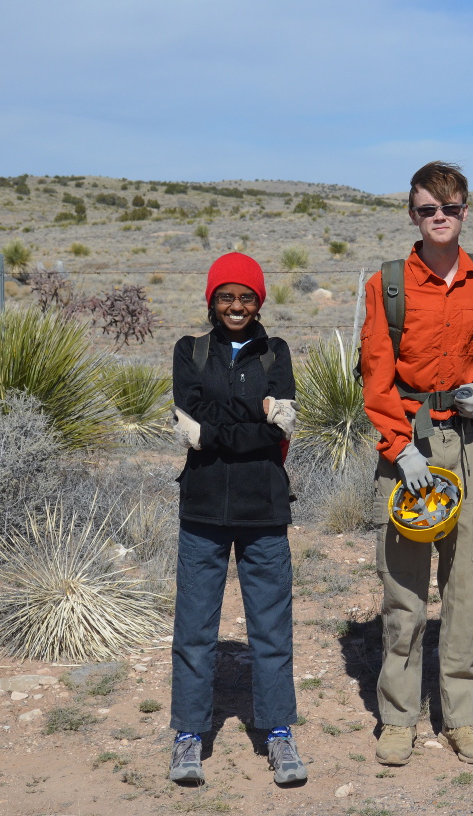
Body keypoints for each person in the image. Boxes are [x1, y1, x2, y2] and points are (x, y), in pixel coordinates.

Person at [360, 161, 473, 766]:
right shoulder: (390, 285)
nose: (440, 218)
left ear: (465, 211)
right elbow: (376, 377)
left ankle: (461, 715)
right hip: (410, 442)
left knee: (466, 586)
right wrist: (398, 449)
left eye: (450, 209)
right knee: (404, 589)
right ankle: (398, 720)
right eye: (428, 209)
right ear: (412, 213)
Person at [167, 252, 306, 784]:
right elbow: (191, 415)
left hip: (264, 510)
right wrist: (260, 421)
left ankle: (277, 733)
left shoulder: (276, 353)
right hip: (202, 508)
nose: (237, 305)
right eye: (226, 296)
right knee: (194, 629)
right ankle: (187, 735)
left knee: (270, 629)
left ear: (259, 301)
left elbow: (276, 428)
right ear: (211, 300)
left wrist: (218, 430)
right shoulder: (190, 351)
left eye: (247, 296)